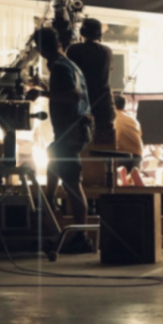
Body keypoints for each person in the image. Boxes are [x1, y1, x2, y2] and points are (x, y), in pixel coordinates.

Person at [36, 26, 94, 254]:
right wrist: (43, 87)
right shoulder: (68, 64)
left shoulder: (60, 67)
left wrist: (42, 94)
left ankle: (82, 237)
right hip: (71, 131)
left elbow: (72, 96)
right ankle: (50, 201)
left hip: (70, 132)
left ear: (41, 49)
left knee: (72, 183)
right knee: (52, 155)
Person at [66, 18, 116, 148]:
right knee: (104, 150)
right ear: (99, 35)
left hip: (81, 107)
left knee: (79, 149)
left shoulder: (73, 50)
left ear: (82, 32)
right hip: (104, 108)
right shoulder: (107, 51)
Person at [113, 94, 145, 187]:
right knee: (131, 173)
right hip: (137, 155)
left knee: (115, 177)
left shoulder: (111, 117)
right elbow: (140, 135)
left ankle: (120, 172)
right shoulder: (134, 120)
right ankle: (134, 172)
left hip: (120, 155)